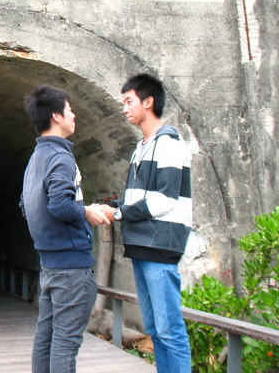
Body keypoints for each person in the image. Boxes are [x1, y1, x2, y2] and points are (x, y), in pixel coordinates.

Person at [101, 73, 192, 373]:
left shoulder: (169, 144)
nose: (124, 108)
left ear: (148, 101)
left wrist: (120, 214)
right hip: (141, 245)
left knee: (169, 330)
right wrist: (113, 207)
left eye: (129, 101)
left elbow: (165, 199)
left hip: (160, 245)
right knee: (155, 329)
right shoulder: (141, 147)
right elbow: (135, 199)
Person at [19, 84, 110, 373]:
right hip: (71, 268)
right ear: (56, 116)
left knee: (45, 339)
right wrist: (87, 212)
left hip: (49, 267)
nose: (74, 115)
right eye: (70, 110)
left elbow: (26, 205)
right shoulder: (61, 157)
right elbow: (59, 205)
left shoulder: (35, 159)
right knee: (65, 344)